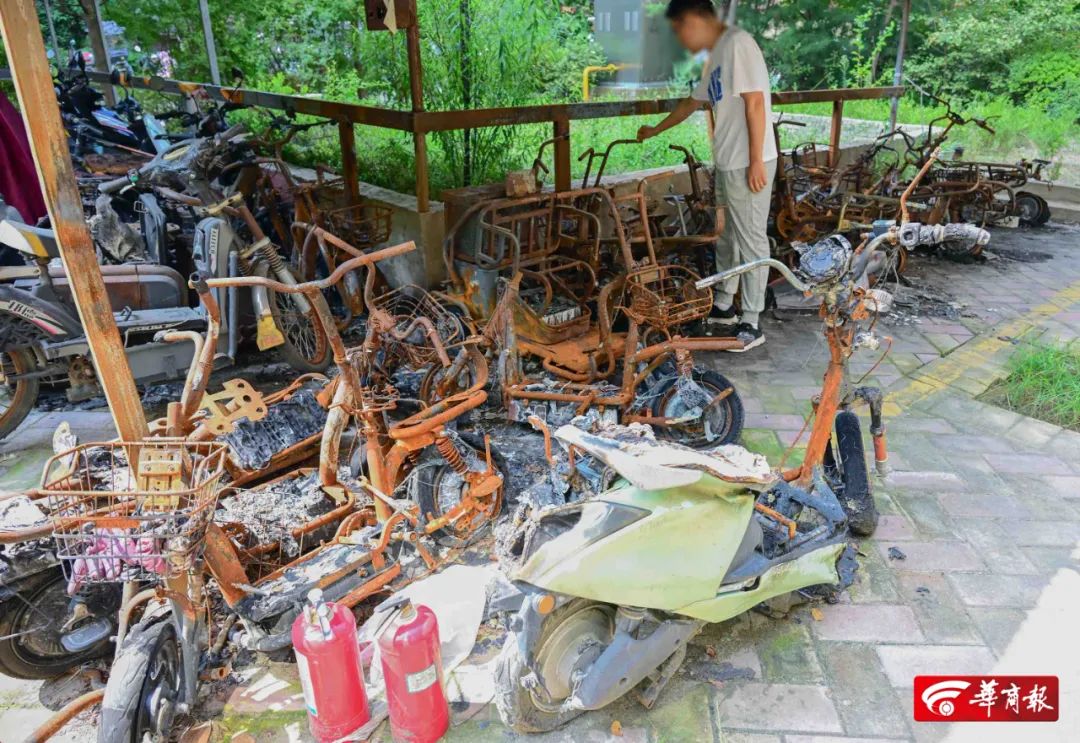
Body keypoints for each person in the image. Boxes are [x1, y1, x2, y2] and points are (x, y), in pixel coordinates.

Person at [638, 0, 777, 351]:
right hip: (729, 161)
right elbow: (692, 103)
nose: (681, 40)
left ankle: (752, 320)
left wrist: (756, 161)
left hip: (748, 161)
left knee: (751, 238)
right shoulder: (716, 55)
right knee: (728, 235)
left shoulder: (738, 44)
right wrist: (655, 130)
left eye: (680, 30)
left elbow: (755, 103)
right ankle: (725, 304)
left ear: (696, 19)